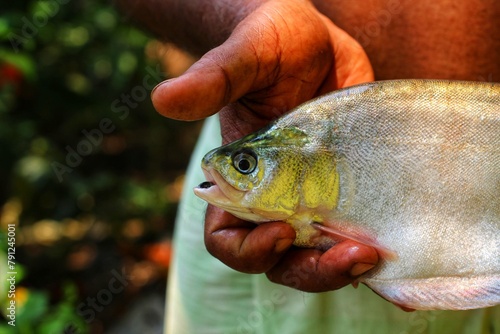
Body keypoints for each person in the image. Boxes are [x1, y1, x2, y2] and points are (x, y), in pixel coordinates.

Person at [116, 0, 500, 333]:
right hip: (274, 116)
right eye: (247, 164)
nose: (237, 173)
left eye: (246, 165)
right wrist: (247, 14)